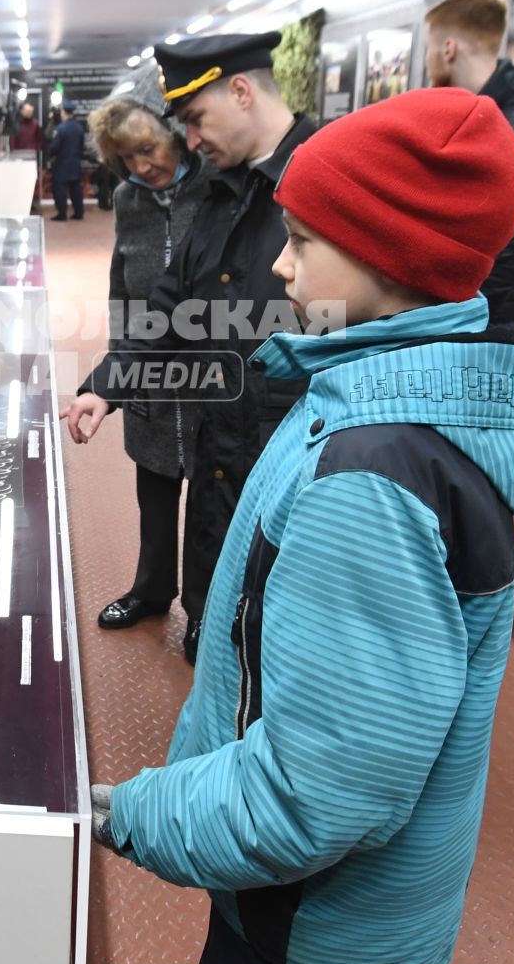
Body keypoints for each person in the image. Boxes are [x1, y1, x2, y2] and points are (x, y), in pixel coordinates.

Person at [92, 88, 514, 964]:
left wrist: (133, 815)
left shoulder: (371, 479)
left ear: (389, 255)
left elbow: (315, 795)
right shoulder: (378, 403)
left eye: (303, 243)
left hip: (310, 934)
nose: (282, 270)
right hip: (331, 917)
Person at [61, 32, 322, 664]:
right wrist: (105, 383)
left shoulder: (330, 173)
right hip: (223, 439)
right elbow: (170, 307)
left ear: (240, 91)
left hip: (302, 446)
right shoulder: (218, 191)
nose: (193, 142)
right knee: (215, 640)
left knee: (281, 640)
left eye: (197, 120)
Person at [88, 97, 215, 635]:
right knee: (155, 495)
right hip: (149, 368)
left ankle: (205, 609)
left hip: (214, 370)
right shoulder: (127, 199)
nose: (141, 166)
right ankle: (152, 590)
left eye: (148, 149)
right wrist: (121, 372)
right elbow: (122, 292)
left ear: (174, 135)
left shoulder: (218, 186)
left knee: (214, 504)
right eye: (127, 158)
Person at [425, 0, 514, 330]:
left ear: (448, 49)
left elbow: (513, 245)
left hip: (478, 324)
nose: (428, 61)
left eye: (429, 49)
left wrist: (456, 317)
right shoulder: (478, 114)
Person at [49, 100, 88, 221]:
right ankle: (79, 212)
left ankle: (62, 213)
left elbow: (54, 147)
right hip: (75, 163)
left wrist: (50, 152)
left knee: (60, 188)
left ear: (63, 112)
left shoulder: (61, 128)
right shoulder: (79, 127)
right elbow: (82, 147)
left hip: (62, 164)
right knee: (76, 188)